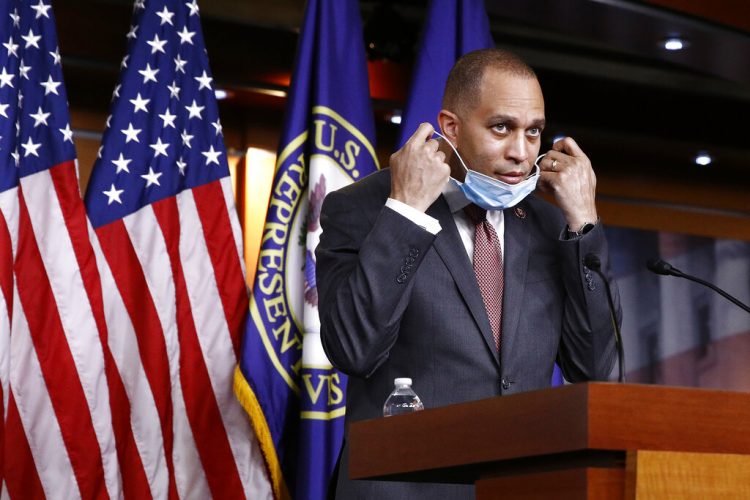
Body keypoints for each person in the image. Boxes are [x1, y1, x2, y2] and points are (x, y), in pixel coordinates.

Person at [316, 48, 622, 499]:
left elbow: (596, 369)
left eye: (534, 132)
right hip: (405, 488)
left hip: (520, 487)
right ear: (451, 127)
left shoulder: (551, 225)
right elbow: (353, 350)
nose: (520, 152)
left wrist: (584, 224)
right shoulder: (365, 207)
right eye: (502, 128)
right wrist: (406, 213)